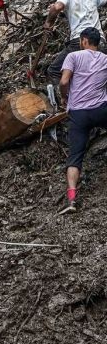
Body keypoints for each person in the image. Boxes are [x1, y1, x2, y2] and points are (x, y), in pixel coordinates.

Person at [59, 27, 107, 213]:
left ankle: (71, 200)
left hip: (78, 113)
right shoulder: (105, 59)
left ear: (84, 40)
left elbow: (64, 82)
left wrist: (65, 97)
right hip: (101, 109)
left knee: (75, 157)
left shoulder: (73, 56)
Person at [44, 0, 107, 82]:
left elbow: (57, 7)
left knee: (54, 71)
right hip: (99, 41)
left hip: (80, 41)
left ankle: (65, 94)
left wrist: (48, 23)